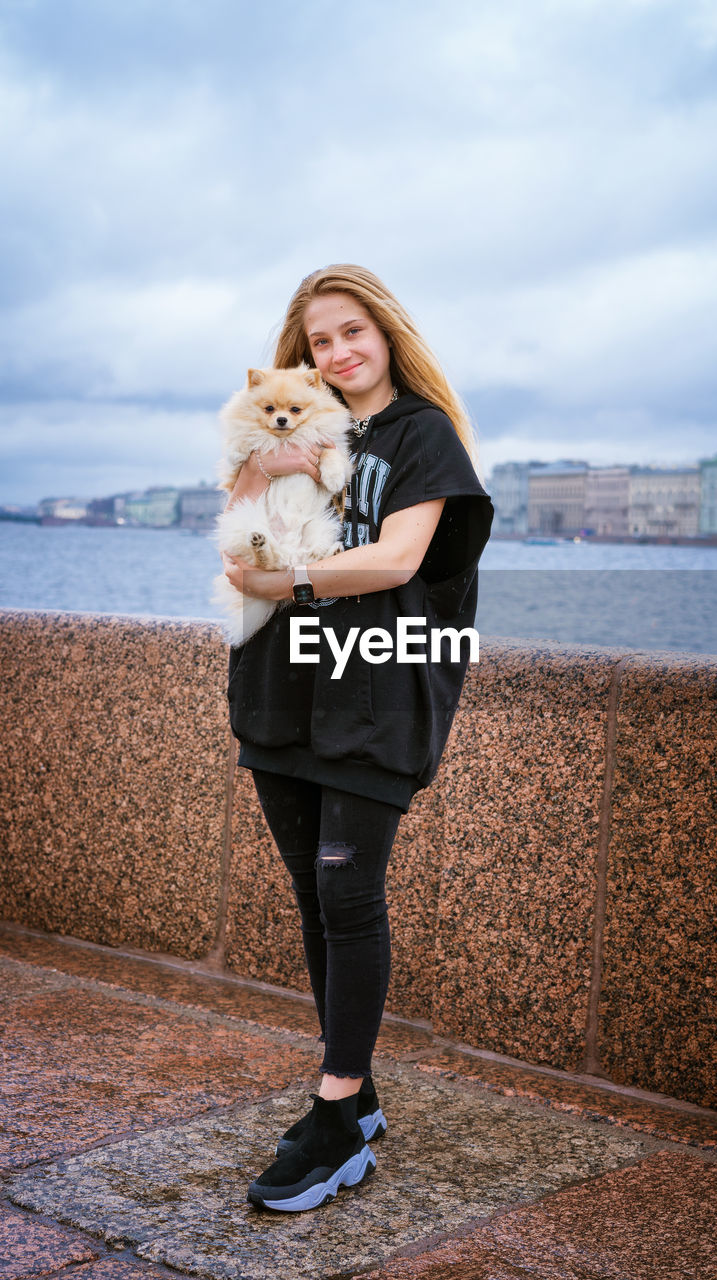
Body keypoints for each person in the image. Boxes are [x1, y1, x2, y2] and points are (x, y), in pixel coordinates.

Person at [220, 264, 493, 1212]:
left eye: (351, 332)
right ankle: (359, 1082)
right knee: (313, 896)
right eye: (318, 342)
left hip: (378, 690)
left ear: (386, 332)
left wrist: (286, 582)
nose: (337, 353)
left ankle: (336, 1119)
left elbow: (401, 557)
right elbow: (238, 520)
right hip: (282, 691)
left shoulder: (422, 434)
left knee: (348, 891)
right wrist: (265, 471)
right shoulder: (295, 421)